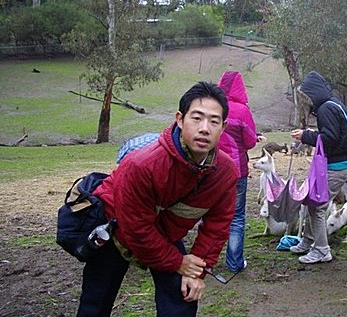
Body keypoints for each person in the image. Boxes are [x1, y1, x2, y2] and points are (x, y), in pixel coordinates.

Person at [76, 81, 238, 317]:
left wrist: (196, 270)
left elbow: (217, 227)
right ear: (180, 119)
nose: (205, 128)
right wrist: (177, 262)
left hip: (164, 232)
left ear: (223, 127)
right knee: (95, 303)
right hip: (115, 227)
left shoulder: (225, 172)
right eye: (197, 118)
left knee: (182, 297)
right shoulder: (143, 165)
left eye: (214, 121)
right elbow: (136, 228)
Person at [290, 71, 347, 264]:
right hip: (339, 162)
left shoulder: (326, 109)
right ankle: (309, 240)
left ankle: (322, 250)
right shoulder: (334, 104)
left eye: (306, 96)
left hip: (337, 165)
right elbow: (334, 135)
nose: (306, 101)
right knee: (312, 202)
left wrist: (305, 136)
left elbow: (329, 138)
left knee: (317, 207)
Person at [217, 71, 265, 273]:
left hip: (210, 170)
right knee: (236, 217)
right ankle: (234, 263)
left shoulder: (212, 106)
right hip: (236, 172)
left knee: (210, 215)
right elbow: (250, 141)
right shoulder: (242, 111)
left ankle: (202, 262)